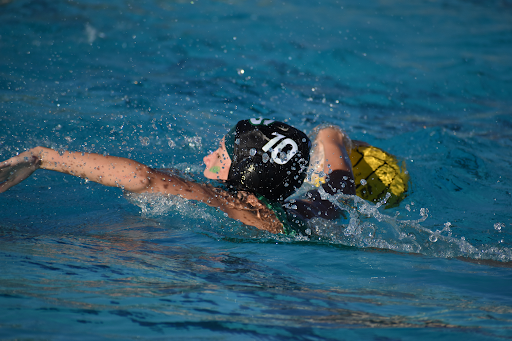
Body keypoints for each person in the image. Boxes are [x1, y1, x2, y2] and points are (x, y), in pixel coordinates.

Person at [0, 118, 355, 236]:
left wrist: (44, 158)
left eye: (220, 154)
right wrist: (326, 136)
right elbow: (334, 144)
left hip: (239, 279)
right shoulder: (316, 207)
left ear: (241, 172)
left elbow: (142, 177)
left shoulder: (229, 203)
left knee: (127, 243)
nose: (208, 155)